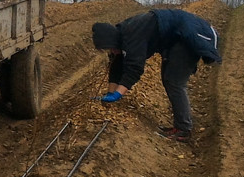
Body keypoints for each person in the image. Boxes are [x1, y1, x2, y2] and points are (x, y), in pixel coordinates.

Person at [92, 9, 222, 141]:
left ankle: (183, 129)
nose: (112, 51)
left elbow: (134, 69)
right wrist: (109, 93)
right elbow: (116, 66)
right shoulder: (122, 36)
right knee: (169, 79)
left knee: (174, 81)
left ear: (113, 40)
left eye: (112, 48)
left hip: (185, 38)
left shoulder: (132, 35)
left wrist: (118, 94)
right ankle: (180, 126)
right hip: (174, 41)